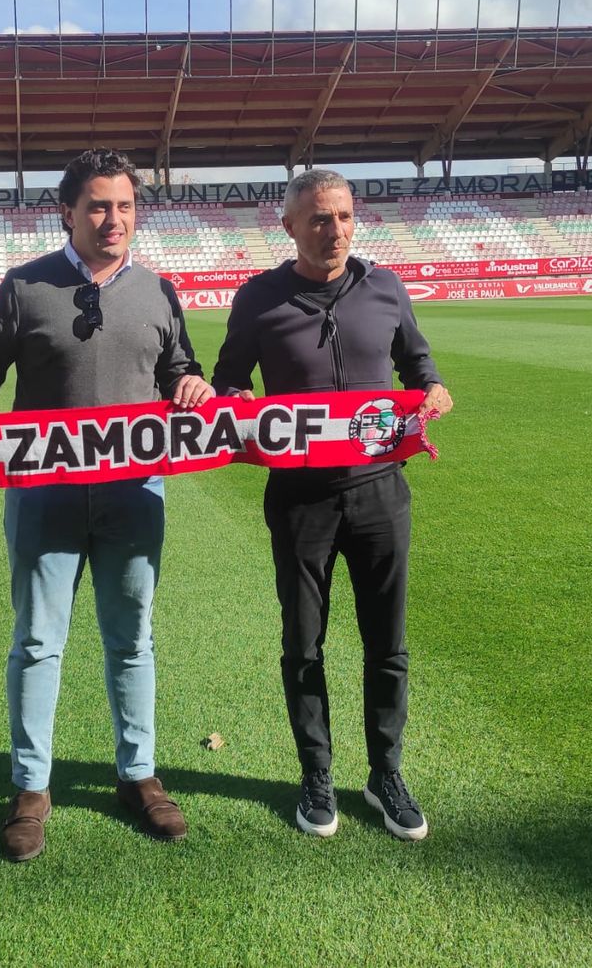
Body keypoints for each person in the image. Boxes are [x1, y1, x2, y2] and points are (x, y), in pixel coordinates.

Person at [0, 149, 213, 862]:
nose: (114, 219)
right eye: (99, 206)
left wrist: (194, 388)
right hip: (44, 496)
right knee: (38, 640)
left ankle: (138, 775)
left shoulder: (159, 291)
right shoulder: (26, 285)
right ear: (66, 212)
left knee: (133, 637)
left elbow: (181, 369)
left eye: (125, 205)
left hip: (135, 494)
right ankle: (31, 788)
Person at [211, 168, 453, 841]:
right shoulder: (258, 298)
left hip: (381, 490)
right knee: (303, 642)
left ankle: (385, 772)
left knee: (389, 643)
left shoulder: (385, 287)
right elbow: (230, 378)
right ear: (289, 226)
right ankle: (316, 773)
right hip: (299, 498)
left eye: (344, 216)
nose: (335, 230)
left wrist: (433, 391)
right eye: (319, 218)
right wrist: (236, 402)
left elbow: (420, 365)